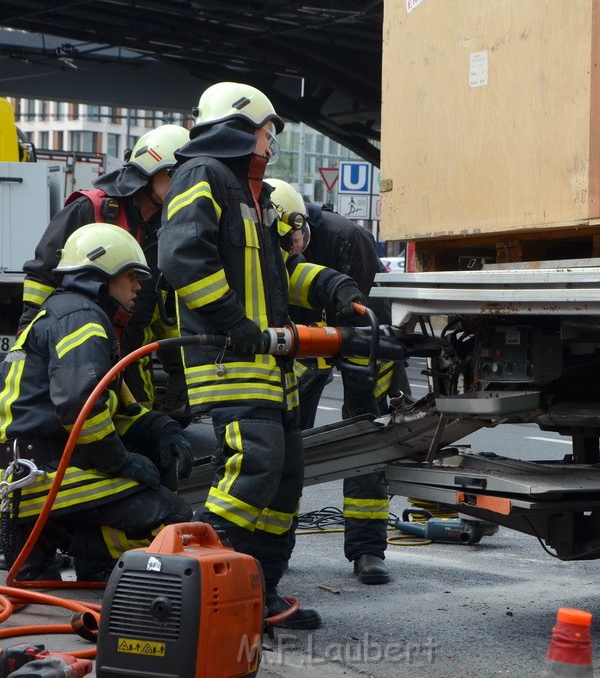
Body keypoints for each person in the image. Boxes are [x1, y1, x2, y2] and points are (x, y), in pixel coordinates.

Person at [159, 82, 366, 629]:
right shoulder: (201, 174)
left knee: (284, 479)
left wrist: (336, 290)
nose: (271, 144)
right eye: (267, 132)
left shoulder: (254, 194)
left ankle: (259, 596)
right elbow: (182, 260)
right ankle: (200, 586)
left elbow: (279, 276)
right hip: (230, 359)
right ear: (239, 126)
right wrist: (236, 325)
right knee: (255, 468)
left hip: (269, 367)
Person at [0, 223, 192, 581]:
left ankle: (48, 542)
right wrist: (120, 462)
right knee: (174, 520)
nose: (138, 286)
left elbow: (118, 407)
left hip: (24, 470)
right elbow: (80, 405)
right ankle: (68, 543)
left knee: (148, 473)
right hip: (40, 474)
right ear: (101, 275)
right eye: (130, 276)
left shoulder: (68, 313)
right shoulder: (82, 319)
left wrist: (163, 429)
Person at [267, 178, 401, 585]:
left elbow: (370, 315)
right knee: (285, 445)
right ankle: (276, 549)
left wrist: (368, 373)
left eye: (294, 240)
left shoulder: (345, 239)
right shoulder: (261, 247)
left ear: (302, 225)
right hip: (299, 347)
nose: (290, 250)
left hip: (361, 340)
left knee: (365, 436)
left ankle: (367, 550)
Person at [21, 124, 191, 440]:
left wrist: (179, 376)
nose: (186, 189)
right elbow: (42, 276)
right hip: (79, 354)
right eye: (178, 177)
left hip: (132, 362)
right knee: (79, 438)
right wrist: (31, 341)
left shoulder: (169, 227)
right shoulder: (92, 209)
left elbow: (165, 312)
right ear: (152, 170)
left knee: (139, 444)